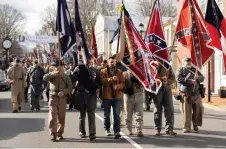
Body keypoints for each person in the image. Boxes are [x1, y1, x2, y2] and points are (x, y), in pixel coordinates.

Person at [43, 61, 73, 142]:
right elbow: (45, 78)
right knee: (53, 116)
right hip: (53, 97)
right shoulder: (51, 75)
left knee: (61, 117)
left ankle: (60, 133)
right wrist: (54, 73)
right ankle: (53, 134)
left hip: (62, 98)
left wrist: (64, 92)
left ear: (62, 67)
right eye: (56, 66)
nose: (57, 67)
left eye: (59, 66)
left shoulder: (65, 76)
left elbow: (70, 86)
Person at [72, 57, 100, 141]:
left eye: (88, 59)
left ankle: (92, 133)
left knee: (91, 114)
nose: (87, 61)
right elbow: (73, 79)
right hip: (81, 94)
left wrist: (93, 88)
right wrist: (76, 71)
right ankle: (82, 131)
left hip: (91, 94)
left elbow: (99, 82)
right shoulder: (79, 68)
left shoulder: (95, 70)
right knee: (82, 114)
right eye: (85, 59)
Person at [176, 57, 204, 133]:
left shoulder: (195, 69)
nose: (188, 62)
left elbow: (202, 78)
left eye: (190, 61)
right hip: (186, 93)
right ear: (183, 62)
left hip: (196, 93)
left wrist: (198, 77)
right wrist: (190, 81)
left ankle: (195, 124)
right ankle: (187, 127)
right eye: (187, 61)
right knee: (186, 111)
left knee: (199, 108)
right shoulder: (180, 70)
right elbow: (178, 79)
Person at [100, 55, 125, 139]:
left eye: (114, 62)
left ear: (115, 62)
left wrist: (117, 86)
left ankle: (117, 131)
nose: (112, 63)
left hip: (116, 96)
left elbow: (122, 83)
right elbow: (103, 82)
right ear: (108, 62)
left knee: (116, 115)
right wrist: (111, 79)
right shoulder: (103, 71)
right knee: (106, 115)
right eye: (111, 62)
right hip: (107, 96)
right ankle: (107, 129)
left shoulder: (119, 72)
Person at [152, 61, 177, 135]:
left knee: (170, 108)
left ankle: (169, 128)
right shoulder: (155, 64)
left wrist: (168, 81)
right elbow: (152, 76)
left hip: (167, 88)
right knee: (157, 109)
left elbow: (173, 77)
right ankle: (157, 128)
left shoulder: (168, 66)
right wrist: (161, 79)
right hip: (158, 88)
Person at [123, 70, 144, 137]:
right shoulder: (125, 74)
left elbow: (144, 83)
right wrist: (126, 90)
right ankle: (129, 129)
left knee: (139, 113)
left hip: (138, 95)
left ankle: (139, 130)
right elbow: (122, 85)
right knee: (128, 114)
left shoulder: (140, 72)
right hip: (128, 96)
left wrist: (137, 81)